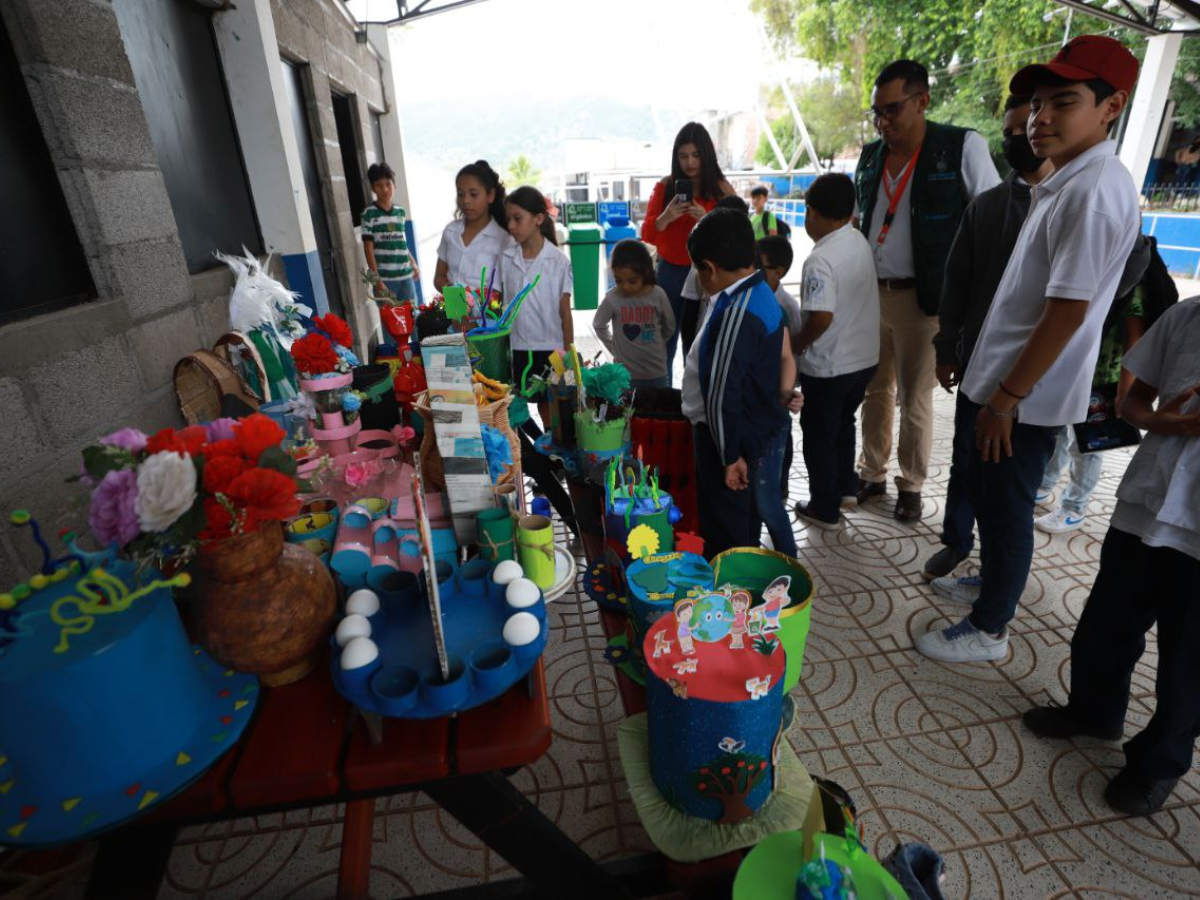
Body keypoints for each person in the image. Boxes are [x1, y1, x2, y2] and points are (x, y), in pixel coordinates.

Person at [915, 35, 1141, 663]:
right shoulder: (1067, 182)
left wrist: (1006, 400)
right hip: (1003, 385)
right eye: (1038, 104)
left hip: (1024, 398)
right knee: (991, 500)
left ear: (1111, 106)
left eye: (1063, 102)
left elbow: (1067, 311)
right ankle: (991, 583)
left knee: (1007, 509)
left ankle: (989, 629)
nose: (1041, 119)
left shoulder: (1094, 193)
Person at [1022, 296, 1200, 816]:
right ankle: (1094, 711)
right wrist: (1169, 422)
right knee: (1105, 624)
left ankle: (1157, 764)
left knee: (1188, 661)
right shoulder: (1187, 317)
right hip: (1145, 506)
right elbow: (1132, 404)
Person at [855, 59, 1001, 522]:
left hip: (924, 300)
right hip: (871, 295)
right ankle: (871, 473)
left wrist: (971, 301)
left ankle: (911, 484)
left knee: (914, 397)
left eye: (892, 110)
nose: (883, 122)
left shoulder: (960, 147)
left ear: (922, 101)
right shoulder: (871, 157)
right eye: (877, 113)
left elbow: (992, 220)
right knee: (875, 391)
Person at [923, 94, 1056, 581]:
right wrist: (946, 347)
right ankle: (957, 542)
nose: (1018, 139)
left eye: (1026, 128)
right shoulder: (988, 206)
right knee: (966, 463)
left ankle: (997, 583)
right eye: (1009, 132)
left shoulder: (1074, 204)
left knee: (1012, 488)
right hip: (981, 366)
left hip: (1040, 379)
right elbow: (956, 283)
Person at [688, 208, 794, 560]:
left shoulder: (738, 311)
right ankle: (745, 577)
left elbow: (722, 393)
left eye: (698, 271)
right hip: (746, 434)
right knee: (743, 523)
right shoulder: (760, 291)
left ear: (710, 268)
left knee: (724, 530)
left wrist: (729, 454)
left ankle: (730, 586)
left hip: (727, 439)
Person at [783, 174, 881, 530]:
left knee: (819, 436)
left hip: (830, 366)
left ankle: (824, 509)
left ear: (811, 212)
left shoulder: (820, 258)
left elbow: (821, 317)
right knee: (844, 423)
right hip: (865, 359)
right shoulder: (857, 240)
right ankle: (845, 490)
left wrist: (796, 343)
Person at [641, 123, 734, 382]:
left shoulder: (722, 189)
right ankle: (665, 397)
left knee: (700, 343)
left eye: (696, 155)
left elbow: (735, 236)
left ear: (707, 155)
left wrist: (707, 218)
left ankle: (697, 398)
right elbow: (647, 234)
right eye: (683, 156)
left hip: (709, 275)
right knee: (664, 342)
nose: (690, 162)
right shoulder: (665, 186)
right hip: (670, 272)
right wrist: (666, 217)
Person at [497, 187, 573, 422]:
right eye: (508, 219)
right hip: (517, 347)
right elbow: (498, 304)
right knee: (516, 408)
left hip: (551, 349)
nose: (511, 225)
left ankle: (550, 445)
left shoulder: (559, 261)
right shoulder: (506, 258)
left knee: (549, 409)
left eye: (517, 218)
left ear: (538, 219)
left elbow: (565, 312)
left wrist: (569, 356)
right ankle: (526, 445)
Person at [592, 239, 676, 390]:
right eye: (618, 281)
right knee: (627, 406)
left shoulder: (658, 295)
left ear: (645, 273)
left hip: (657, 373)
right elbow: (598, 325)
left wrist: (657, 343)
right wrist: (614, 348)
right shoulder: (612, 298)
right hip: (625, 375)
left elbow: (669, 326)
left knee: (658, 405)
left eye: (632, 281)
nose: (625, 287)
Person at [757, 234, 803, 501]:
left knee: (781, 438)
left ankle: (781, 485)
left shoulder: (786, 306)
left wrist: (788, 386)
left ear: (779, 272)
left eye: (760, 266)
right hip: (761, 388)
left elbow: (793, 349)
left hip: (779, 386)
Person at [434, 160, 512, 291]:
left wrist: (472, 300)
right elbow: (439, 277)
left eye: (473, 194)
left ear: (490, 195)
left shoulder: (503, 239)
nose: (465, 201)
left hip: (486, 305)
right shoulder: (450, 231)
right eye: (460, 194)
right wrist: (454, 295)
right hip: (451, 304)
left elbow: (503, 290)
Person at [362, 163, 419, 302]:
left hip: (406, 277)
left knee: (412, 313)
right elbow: (368, 249)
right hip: (385, 281)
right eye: (379, 185)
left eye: (388, 184)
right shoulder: (369, 214)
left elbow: (401, 243)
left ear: (394, 185)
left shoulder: (400, 211)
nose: (385, 189)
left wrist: (413, 263)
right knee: (390, 316)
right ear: (373, 188)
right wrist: (378, 282)